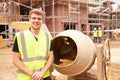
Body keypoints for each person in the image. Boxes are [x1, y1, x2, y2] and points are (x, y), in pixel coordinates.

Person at [12, 8, 54, 80]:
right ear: (29, 20)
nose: (36, 21)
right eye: (34, 18)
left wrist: (42, 73)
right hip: (26, 77)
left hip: (44, 76)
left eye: (39, 19)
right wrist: (32, 74)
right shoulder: (20, 36)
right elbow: (15, 60)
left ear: (42, 21)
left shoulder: (48, 36)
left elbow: (51, 56)